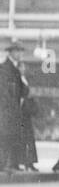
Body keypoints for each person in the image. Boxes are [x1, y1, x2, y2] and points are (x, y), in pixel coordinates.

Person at [0, 40, 28, 175]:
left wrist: (22, 76)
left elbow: (24, 91)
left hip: (13, 110)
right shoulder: (5, 68)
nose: (20, 54)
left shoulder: (16, 69)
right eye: (18, 51)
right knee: (5, 137)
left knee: (11, 137)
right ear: (11, 52)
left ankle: (10, 164)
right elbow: (5, 92)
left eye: (21, 51)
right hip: (6, 110)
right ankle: (4, 164)